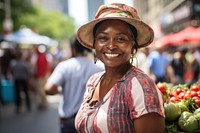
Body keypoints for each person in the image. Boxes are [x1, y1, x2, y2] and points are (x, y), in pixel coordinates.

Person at [75, 3, 165, 133]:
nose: (111, 45)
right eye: (103, 38)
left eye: (120, 39)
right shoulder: (93, 81)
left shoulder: (140, 86)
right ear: (95, 45)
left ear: (133, 47)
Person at [44, 36, 103, 133]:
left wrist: (62, 90)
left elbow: (48, 89)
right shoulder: (99, 67)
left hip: (68, 121)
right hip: (91, 121)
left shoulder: (64, 66)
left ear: (73, 48)